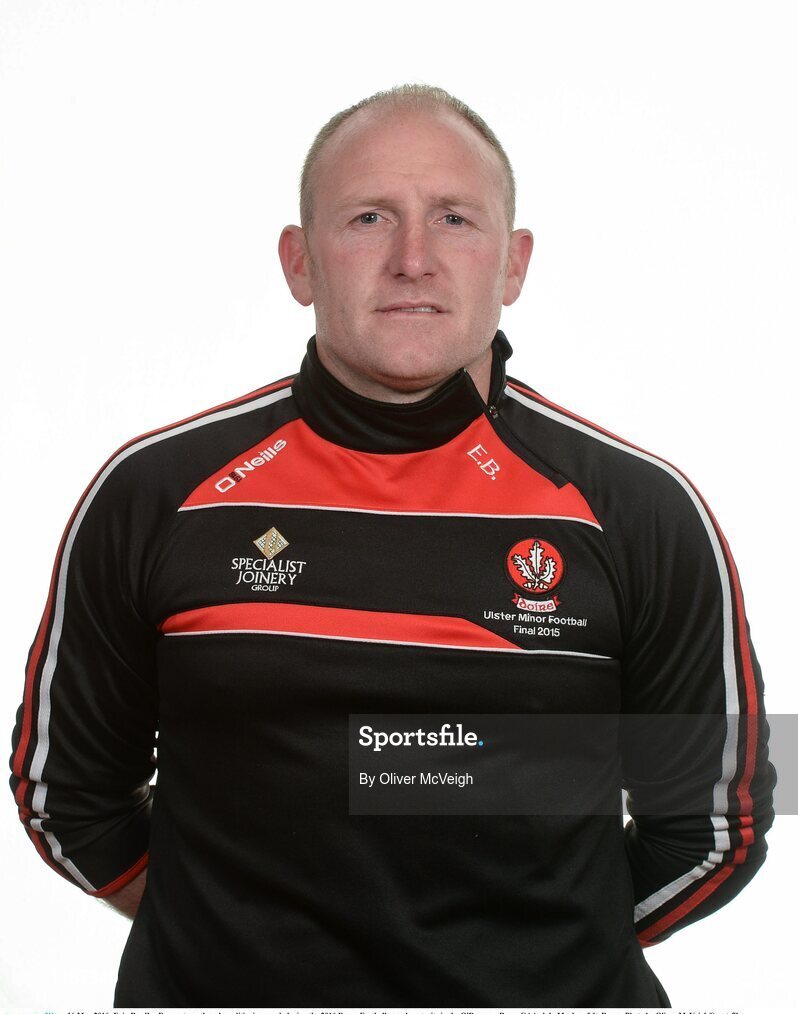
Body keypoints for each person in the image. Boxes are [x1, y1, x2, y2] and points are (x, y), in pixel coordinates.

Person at [9, 83, 775, 1006]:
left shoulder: (639, 511)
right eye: (368, 217)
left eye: (455, 218)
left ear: (515, 263)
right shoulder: (155, 493)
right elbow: (66, 796)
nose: (413, 259)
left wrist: (531, 961)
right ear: (299, 262)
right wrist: (225, 945)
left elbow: (714, 827)